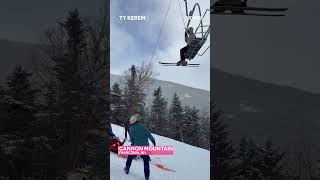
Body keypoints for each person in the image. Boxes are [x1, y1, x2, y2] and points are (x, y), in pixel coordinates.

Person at [124, 114, 156, 180]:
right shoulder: (142, 126)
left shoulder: (131, 129)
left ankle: (127, 168)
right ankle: (147, 176)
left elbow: (132, 140)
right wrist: (153, 141)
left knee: (130, 156)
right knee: (146, 162)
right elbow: (149, 135)